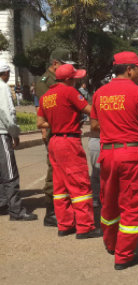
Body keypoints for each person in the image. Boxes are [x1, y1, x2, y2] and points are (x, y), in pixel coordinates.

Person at [90, 51, 138, 270]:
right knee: (132, 203)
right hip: (130, 153)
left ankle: (111, 243)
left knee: (109, 200)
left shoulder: (99, 93)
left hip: (107, 153)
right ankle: (124, 255)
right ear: (129, 69)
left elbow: (94, 126)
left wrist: (114, 125)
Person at [36, 63, 101, 238]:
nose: (76, 81)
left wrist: (57, 122)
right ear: (68, 79)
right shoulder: (69, 92)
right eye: (74, 78)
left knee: (60, 186)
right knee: (79, 184)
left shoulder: (46, 97)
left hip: (54, 141)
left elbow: (40, 123)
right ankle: (85, 227)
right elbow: (90, 110)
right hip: (69, 141)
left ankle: (65, 225)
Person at [35, 48, 75, 227]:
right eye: (65, 64)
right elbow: (46, 110)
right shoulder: (44, 82)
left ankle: (63, 209)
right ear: (55, 64)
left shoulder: (58, 80)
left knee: (65, 172)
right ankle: (50, 212)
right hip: (54, 133)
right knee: (54, 172)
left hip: (64, 132)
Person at [0, 64, 37, 221]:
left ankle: (2, 204)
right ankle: (16, 210)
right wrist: (14, 133)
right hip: (2, 134)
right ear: (6, 73)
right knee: (10, 174)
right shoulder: (2, 88)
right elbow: (5, 112)